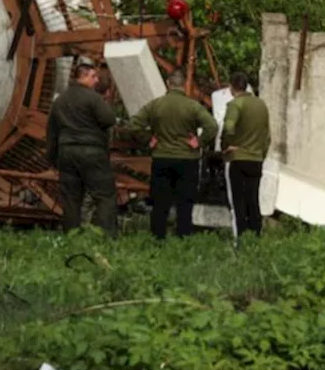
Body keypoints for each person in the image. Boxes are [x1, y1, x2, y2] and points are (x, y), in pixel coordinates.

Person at [127, 69, 218, 239]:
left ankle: (158, 237)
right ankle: (183, 236)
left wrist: (148, 139)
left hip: (162, 157)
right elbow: (212, 126)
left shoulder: (155, 105)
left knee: (161, 201)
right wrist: (199, 141)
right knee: (185, 201)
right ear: (185, 86)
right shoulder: (192, 106)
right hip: (187, 159)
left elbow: (133, 125)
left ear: (168, 85)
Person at [46, 62, 118, 237]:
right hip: (92, 153)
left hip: (66, 154)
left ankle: (71, 237)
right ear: (83, 76)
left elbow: (51, 132)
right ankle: (106, 236)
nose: (96, 81)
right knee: (105, 196)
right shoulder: (93, 98)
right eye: (93, 77)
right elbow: (109, 119)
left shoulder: (60, 101)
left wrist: (53, 159)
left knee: (70, 200)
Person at [222, 72, 271, 238]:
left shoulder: (235, 104)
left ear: (231, 88)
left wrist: (227, 146)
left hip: (238, 158)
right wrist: (260, 154)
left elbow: (228, 128)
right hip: (256, 159)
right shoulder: (261, 105)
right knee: (253, 201)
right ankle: (256, 237)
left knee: (239, 203)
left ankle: (242, 239)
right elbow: (267, 136)